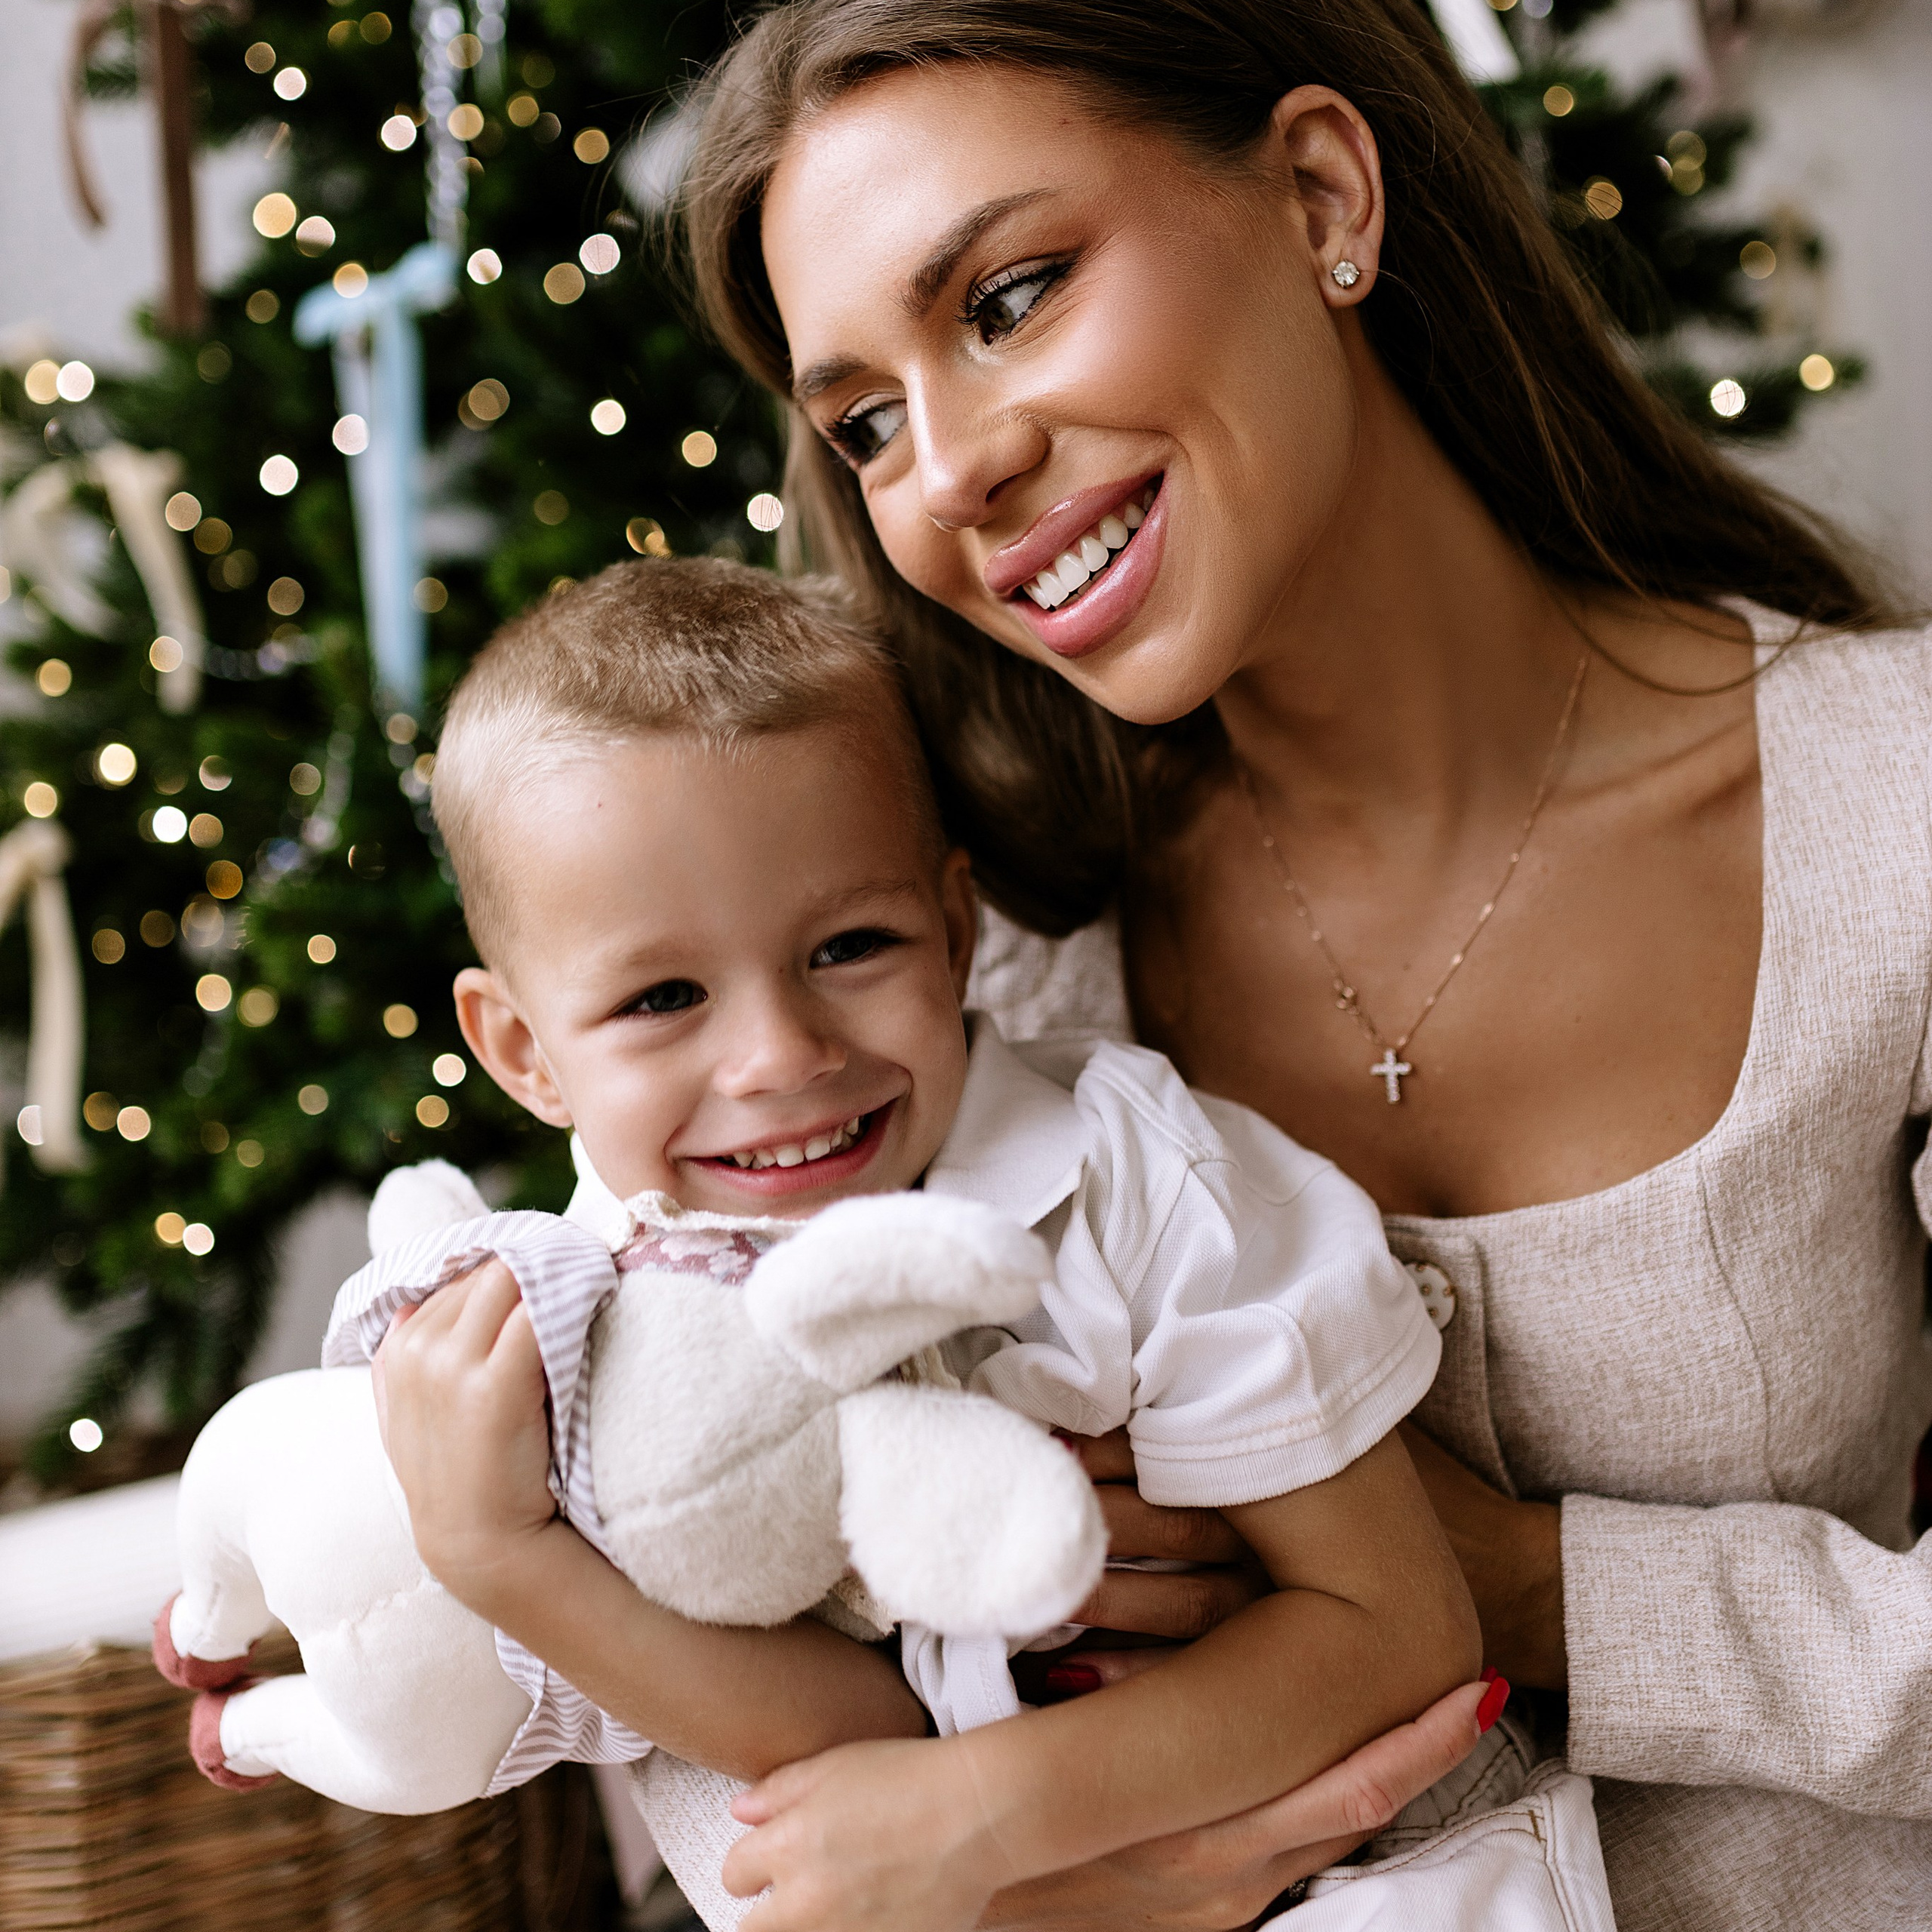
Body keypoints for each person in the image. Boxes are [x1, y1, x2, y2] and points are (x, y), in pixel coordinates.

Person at [672, 2, 1932, 1927]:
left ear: (1323, 194)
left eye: (1008, 295)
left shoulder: (1891, 812)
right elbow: (701, 1522)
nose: (947, 471)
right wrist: (1041, 1888)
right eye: (862, 420)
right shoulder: (966, 973)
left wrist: (1514, 1584)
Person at [372, 554, 1614, 1932]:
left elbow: (1396, 1630)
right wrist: (501, 1558)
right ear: (523, 1053)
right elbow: (847, 1732)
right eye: (664, 995)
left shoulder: (1133, 1179)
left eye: (850, 945)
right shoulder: (586, 1325)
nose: (782, 1056)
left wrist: (989, 1813)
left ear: (956, 933)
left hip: (1375, 1886)